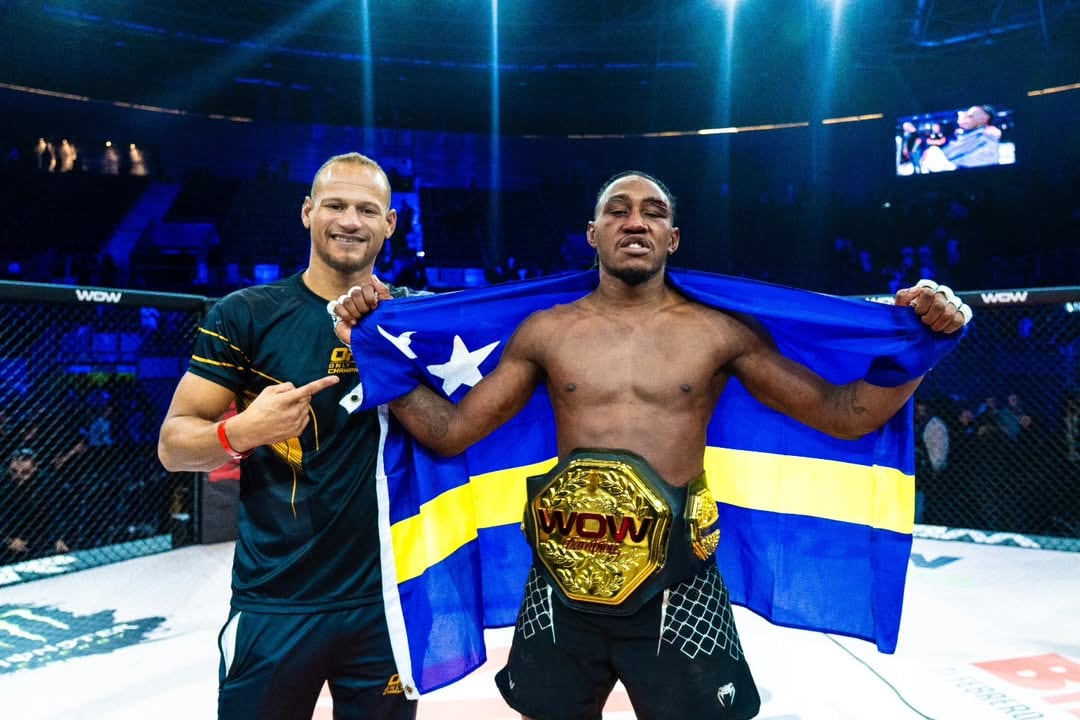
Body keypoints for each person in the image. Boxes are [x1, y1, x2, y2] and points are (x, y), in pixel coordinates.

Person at [332, 171, 971, 720]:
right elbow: (450, 433)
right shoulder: (546, 331)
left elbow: (843, 414)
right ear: (593, 234)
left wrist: (922, 344)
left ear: (673, 237)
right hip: (561, 582)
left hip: (680, 586)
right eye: (618, 211)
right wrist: (376, 356)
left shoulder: (719, 332)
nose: (635, 221)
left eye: (653, 212)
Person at [157, 152, 426, 720]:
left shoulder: (414, 321)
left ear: (390, 223)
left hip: (387, 598)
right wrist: (242, 431)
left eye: (366, 210)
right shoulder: (246, 314)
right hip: (275, 600)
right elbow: (173, 444)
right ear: (307, 212)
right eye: (335, 205)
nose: (349, 220)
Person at [920, 105, 1002, 172]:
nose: (962, 115)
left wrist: (945, 166)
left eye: (970, 115)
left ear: (984, 119)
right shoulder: (965, 134)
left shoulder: (987, 136)